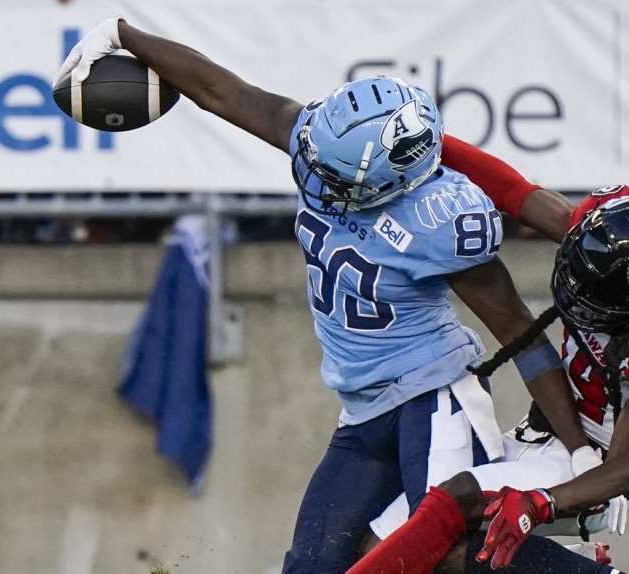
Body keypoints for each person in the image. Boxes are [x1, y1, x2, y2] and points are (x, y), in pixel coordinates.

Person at [54, 18, 591, 574]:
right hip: (362, 408)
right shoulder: (328, 149)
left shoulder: (438, 219)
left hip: (435, 402)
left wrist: (578, 453)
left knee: (452, 559)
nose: (313, 177)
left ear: (387, 181)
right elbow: (222, 90)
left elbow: (521, 336)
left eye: (333, 176)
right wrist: (122, 34)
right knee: (311, 566)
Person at [346, 138, 629, 573]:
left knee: (455, 502)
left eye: (593, 295)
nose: (575, 289)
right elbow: (512, 190)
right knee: (382, 544)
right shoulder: (610, 240)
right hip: (546, 432)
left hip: (599, 466)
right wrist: (424, 144)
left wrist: (544, 502)